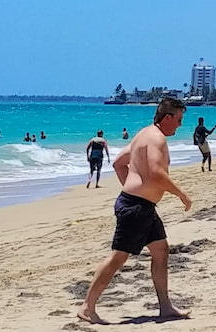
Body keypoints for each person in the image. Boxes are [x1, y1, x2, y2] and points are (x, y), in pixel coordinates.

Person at [78, 97, 192, 324]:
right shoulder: (156, 138)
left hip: (142, 206)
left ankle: (165, 306)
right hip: (136, 208)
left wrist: (135, 190)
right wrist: (181, 194)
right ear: (167, 117)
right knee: (118, 257)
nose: (180, 125)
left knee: (161, 251)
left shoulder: (144, 134)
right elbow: (156, 173)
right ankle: (87, 307)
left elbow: (119, 163)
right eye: (178, 119)